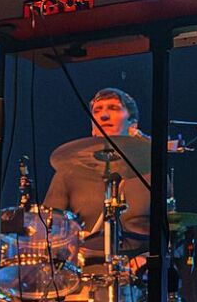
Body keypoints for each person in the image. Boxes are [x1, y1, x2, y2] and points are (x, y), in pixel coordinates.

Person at [44, 87, 150, 254]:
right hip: (84, 270)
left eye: (114, 108)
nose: (104, 115)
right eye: (97, 111)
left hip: (138, 269)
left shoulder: (151, 171)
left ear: (133, 125)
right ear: (93, 127)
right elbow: (49, 226)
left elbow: (171, 229)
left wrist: (146, 259)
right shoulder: (69, 171)